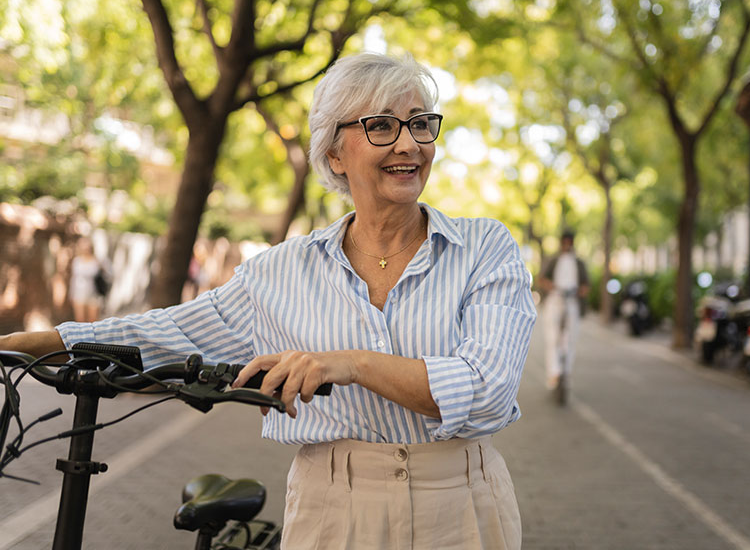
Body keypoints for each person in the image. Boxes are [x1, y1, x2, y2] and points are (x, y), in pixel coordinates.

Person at [1, 53, 536, 549]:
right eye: (381, 126)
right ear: (334, 153)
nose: (409, 144)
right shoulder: (279, 272)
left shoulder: (485, 248)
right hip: (334, 508)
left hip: (463, 507)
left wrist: (350, 364)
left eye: (420, 123)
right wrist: (25, 343)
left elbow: (487, 389)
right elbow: (164, 333)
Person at [538, 230, 589, 403]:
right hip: (555, 301)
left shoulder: (578, 262)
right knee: (553, 339)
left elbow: (585, 285)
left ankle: (566, 373)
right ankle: (553, 374)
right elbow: (542, 279)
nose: (567, 245)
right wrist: (553, 287)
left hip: (572, 302)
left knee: (569, 341)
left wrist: (579, 292)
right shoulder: (553, 260)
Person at [68, 236, 105, 322]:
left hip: (94, 294)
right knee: (80, 321)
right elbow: (74, 279)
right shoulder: (76, 261)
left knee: (93, 321)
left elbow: (105, 276)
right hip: (79, 294)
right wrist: (71, 293)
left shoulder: (97, 261)